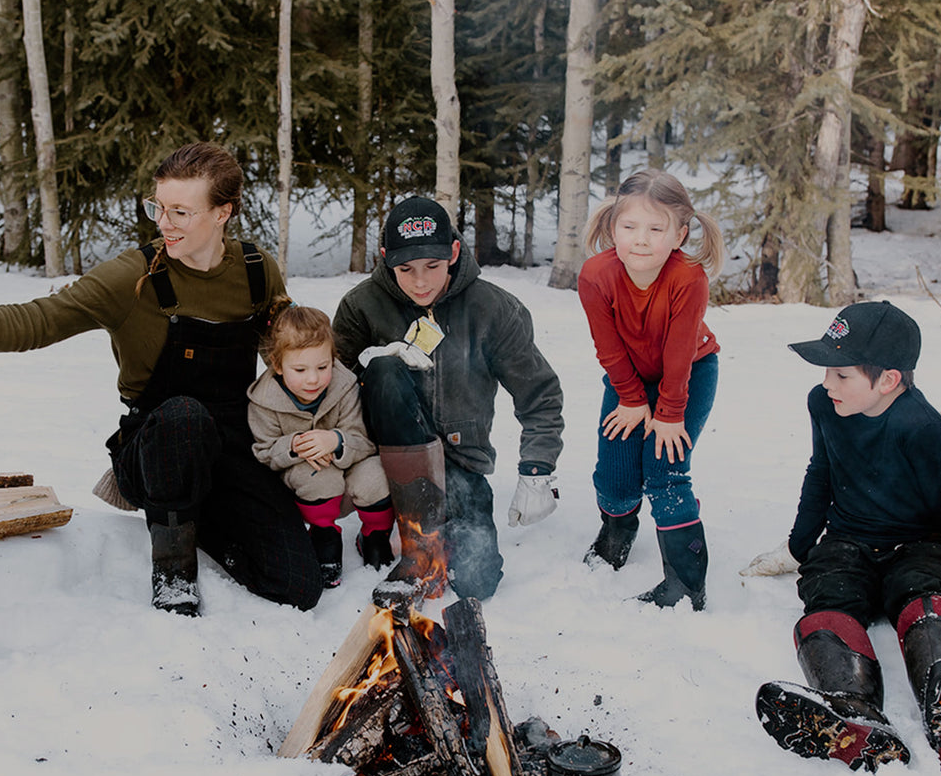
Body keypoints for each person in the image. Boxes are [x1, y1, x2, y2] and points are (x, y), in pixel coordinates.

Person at [0, 142, 320, 616]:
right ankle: (173, 567)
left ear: (223, 212)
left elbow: (293, 354)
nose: (163, 223)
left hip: (232, 445)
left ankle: (199, 519)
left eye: (180, 211)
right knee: (185, 416)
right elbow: (39, 319)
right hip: (155, 446)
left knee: (296, 587)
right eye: (158, 207)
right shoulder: (135, 275)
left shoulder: (256, 270)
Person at [744, 301, 941, 776]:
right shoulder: (823, 403)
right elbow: (821, 473)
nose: (828, 382)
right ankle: (854, 716)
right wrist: (798, 547)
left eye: (842, 373)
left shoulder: (925, 428)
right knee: (827, 601)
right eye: (827, 369)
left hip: (919, 544)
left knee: (925, 595)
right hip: (847, 540)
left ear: (888, 380)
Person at [332, 196, 564, 602]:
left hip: (459, 462)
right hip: (384, 457)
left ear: (454, 252)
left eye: (433, 267)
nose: (421, 281)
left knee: (478, 581)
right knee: (385, 370)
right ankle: (414, 547)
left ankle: (433, 529)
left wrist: (537, 466)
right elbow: (331, 390)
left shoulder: (493, 308)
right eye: (406, 269)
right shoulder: (361, 306)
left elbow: (539, 393)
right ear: (386, 258)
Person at [576, 168, 724, 611]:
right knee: (617, 466)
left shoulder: (688, 277)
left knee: (665, 467)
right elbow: (608, 346)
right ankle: (617, 529)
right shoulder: (595, 276)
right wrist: (632, 398)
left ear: (678, 235)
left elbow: (679, 352)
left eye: (656, 229)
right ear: (612, 228)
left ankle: (685, 583)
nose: (641, 239)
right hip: (628, 378)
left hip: (690, 375)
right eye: (629, 227)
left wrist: (670, 412)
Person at [247, 305, 393, 588]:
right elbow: (263, 452)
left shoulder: (346, 387)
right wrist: (292, 446)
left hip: (349, 470)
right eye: (300, 369)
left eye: (322, 367)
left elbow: (364, 439)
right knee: (318, 476)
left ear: (332, 359)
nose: (312, 379)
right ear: (278, 365)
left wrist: (336, 440)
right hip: (304, 487)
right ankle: (324, 536)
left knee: (376, 474)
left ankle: (376, 535)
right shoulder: (264, 400)